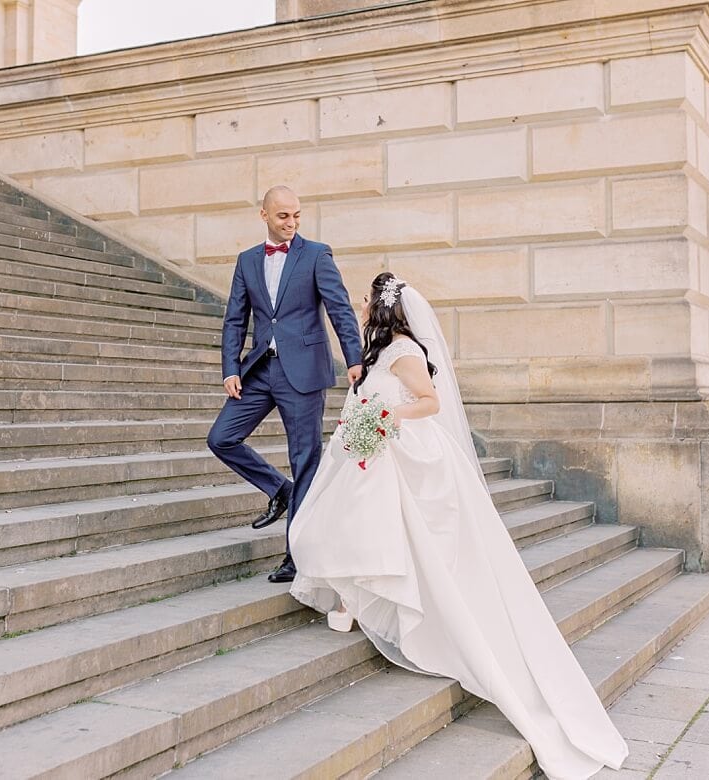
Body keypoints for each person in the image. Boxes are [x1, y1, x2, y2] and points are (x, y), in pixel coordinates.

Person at [289, 273, 628, 780]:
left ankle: (360, 599)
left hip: (405, 449)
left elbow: (430, 402)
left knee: (386, 528)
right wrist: (366, 419)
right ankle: (351, 595)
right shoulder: (377, 347)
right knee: (349, 521)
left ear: (383, 307)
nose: (358, 302)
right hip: (375, 449)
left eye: (365, 297)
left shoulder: (403, 347)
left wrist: (385, 417)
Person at [207, 185, 363, 583]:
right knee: (221, 437)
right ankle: (281, 490)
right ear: (264, 215)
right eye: (283, 216)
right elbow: (234, 319)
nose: (291, 223)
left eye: (296, 215)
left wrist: (355, 360)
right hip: (259, 371)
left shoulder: (316, 254)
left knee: (305, 460)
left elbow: (340, 309)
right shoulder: (246, 261)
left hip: (304, 372)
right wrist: (230, 368)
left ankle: (297, 557)